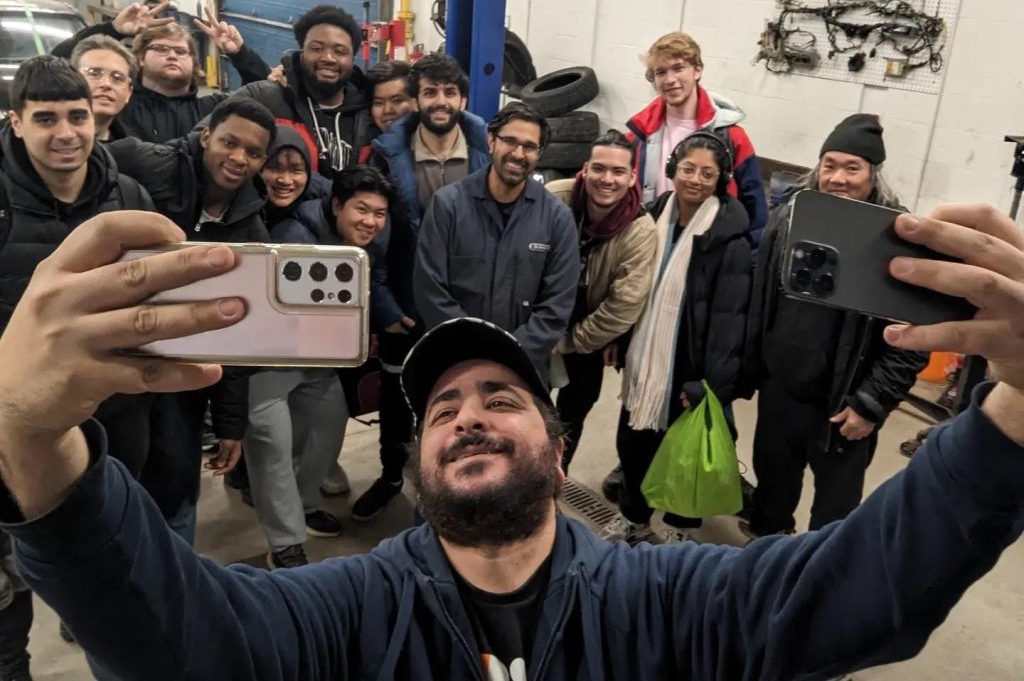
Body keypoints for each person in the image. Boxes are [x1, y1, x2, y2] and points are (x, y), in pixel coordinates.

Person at [1, 204, 1023, 680]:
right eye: (442, 410)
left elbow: (869, 584)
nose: (468, 415)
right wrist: (32, 434)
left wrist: (1013, 408)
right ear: (414, 462)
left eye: (499, 396)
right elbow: (172, 634)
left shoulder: (669, 602)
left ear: (558, 436)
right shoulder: (343, 612)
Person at [0, 56, 154, 680]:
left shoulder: (129, 198)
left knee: (96, 551)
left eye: (77, 116)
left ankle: (82, 611)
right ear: (15, 122)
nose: (65, 132)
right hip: (15, 416)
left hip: (113, 412)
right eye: (45, 119)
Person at [742, 114, 929, 538]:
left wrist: (871, 404)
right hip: (781, 395)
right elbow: (759, 299)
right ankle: (766, 575)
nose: (838, 178)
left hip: (844, 406)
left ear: (872, 174)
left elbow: (913, 340)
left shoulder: (895, 237)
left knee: (834, 516)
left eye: (852, 168)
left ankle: (820, 591)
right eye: (830, 165)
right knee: (771, 499)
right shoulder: (789, 217)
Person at [106, 98, 276, 545]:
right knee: (108, 479)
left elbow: (239, 338)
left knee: (177, 481)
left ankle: (171, 583)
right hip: (118, 353)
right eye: (229, 143)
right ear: (206, 137)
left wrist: (230, 424)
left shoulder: (250, 229)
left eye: (253, 153)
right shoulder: (154, 165)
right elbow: (89, 153)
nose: (239, 158)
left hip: (181, 373)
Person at [352, 53, 491, 521]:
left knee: (457, 396)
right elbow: (370, 234)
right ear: (417, 98)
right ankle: (392, 475)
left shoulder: (484, 151)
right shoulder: (389, 154)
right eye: (430, 91)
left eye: (449, 92)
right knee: (397, 397)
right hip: (406, 303)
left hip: (463, 301)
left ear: (462, 99)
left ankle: (451, 489)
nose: (440, 101)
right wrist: (385, 305)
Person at [599, 131, 752, 545]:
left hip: (690, 364)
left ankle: (682, 530)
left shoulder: (729, 239)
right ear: (672, 171)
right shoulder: (650, 217)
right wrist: (620, 334)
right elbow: (631, 286)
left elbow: (729, 321)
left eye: (708, 173)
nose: (695, 180)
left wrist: (710, 387)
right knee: (634, 445)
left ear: (721, 179)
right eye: (688, 169)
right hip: (646, 359)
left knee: (683, 454)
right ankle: (634, 518)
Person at [244, 167, 394, 569]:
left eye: (380, 213)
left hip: (317, 360)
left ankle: (305, 505)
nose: (371, 221)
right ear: (337, 205)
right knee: (274, 448)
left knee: (329, 424)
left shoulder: (370, 241)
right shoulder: (295, 237)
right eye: (362, 209)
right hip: (267, 362)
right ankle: (285, 542)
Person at [414, 101, 579, 385]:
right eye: (510, 141)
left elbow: (557, 304)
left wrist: (509, 354)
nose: (518, 154)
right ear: (491, 141)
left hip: (524, 369)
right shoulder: (448, 205)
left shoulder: (557, 218)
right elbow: (430, 289)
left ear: (538, 154)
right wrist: (473, 350)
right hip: (454, 364)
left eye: (529, 146)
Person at [546, 130, 657, 469]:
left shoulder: (640, 230)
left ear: (632, 176)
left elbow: (622, 307)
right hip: (538, 317)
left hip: (589, 333)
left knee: (569, 419)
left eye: (618, 171)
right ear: (585, 168)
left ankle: (551, 485)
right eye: (599, 168)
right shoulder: (553, 199)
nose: (606, 179)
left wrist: (568, 343)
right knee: (520, 405)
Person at [626, 31, 768, 248]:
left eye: (678, 68)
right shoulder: (639, 134)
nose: (670, 79)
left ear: (697, 70)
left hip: (711, 249)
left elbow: (755, 207)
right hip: (651, 243)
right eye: (661, 72)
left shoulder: (732, 137)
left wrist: (747, 257)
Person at [53, 3, 270, 142]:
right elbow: (55, 66)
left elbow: (264, 96)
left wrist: (240, 54)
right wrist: (112, 30)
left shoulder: (212, 109)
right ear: (140, 59)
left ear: (194, 63)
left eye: (180, 51)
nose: (172, 55)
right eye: (161, 49)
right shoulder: (119, 105)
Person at [230, 5, 371, 175]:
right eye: (316, 48)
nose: (328, 58)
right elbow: (211, 137)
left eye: (340, 51)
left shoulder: (370, 111)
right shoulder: (265, 98)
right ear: (302, 52)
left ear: (352, 59)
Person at [69, 34, 136, 142]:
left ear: (129, 93)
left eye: (117, 78)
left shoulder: (136, 153)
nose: (106, 84)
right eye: (94, 73)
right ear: (71, 79)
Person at [358, 59, 416, 162]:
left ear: (415, 102)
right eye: (378, 103)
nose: (387, 110)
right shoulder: (364, 153)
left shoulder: (430, 147)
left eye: (397, 101)